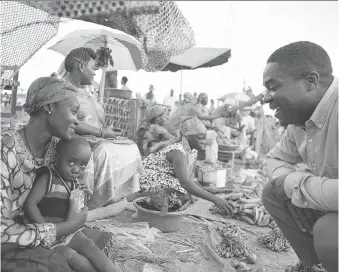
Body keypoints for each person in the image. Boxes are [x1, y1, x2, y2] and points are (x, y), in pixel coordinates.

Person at [261, 41, 338, 272]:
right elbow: (276, 159)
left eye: (273, 87)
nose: (266, 98)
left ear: (311, 81)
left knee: (329, 232)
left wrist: (294, 186)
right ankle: (314, 266)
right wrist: (288, 188)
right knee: (273, 192)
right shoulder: (300, 121)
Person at [1, 77, 86, 271]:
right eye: (73, 111)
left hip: (40, 233)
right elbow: (2, 233)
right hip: (8, 243)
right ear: (49, 107)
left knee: (93, 249)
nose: (76, 120)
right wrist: (65, 228)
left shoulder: (57, 151)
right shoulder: (5, 151)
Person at [64, 47, 144, 208]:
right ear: (81, 67)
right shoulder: (64, 90)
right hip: (76, 143)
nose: (95, 73)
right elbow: (69, 122)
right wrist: (101, 133)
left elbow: (95, 119)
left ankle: (116, 193)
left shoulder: (87, 92)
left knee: (131, 146)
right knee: (105, 151)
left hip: (96, 138)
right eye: (93, 68)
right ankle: (97, 200)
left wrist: (107, 129)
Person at [23, 136, 118, 272]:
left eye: (83, 165)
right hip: (48, 236)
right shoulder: (48, 178)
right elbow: (30, 204)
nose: (76, 170)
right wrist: (45, 231)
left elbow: (78, 210)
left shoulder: (74, 183)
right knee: (73, 257)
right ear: (57, 157)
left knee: (89, 245)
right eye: (71, 162)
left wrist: (83, 194)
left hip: (68, 232)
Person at [139, 117, 234, 215]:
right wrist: (215, 199)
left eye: (204, 138)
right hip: (149, 177)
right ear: (188, 137)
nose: (203, 142)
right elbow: (185, 183)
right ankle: (149, 200)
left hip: (164, 176)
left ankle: (163, 203)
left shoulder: (192, 149)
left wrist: (205, 190)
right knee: (183, 192)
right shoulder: (178, 151)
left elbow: (189, 178)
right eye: (199, 138)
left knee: (189, 192)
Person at [165, 92, 229, 135]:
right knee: (211, 137)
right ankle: (205, 148)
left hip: (171, 129)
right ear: (192, 100)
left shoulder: (184, 106)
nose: (196, 100)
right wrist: (220, 115)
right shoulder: (191, 107)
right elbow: (202, 118)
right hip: (174, 131)